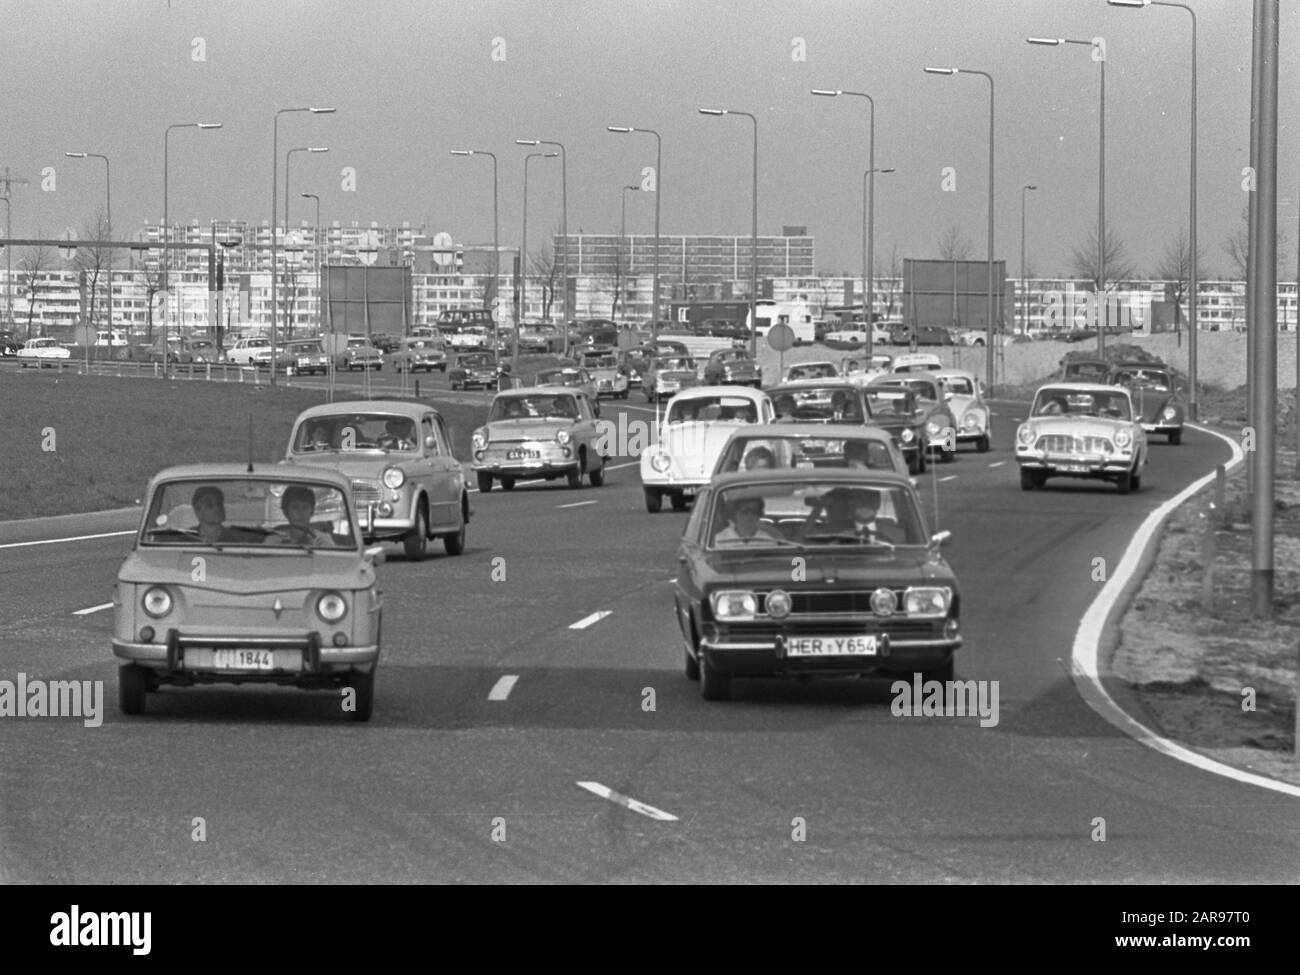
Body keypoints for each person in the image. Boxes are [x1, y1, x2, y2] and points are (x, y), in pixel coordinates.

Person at [807, 487, 906, 543]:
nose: (865, 504)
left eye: (870, 499)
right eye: (859, 500)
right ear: (851, 505)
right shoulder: (838, 538)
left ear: (878, 503)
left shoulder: (897, 537)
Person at [713, 496, 787, 545]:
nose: (750, 515)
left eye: (754, 511)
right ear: (734, 513)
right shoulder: (720, 539)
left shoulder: (768, 541)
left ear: (759, 514)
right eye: (745, 511)